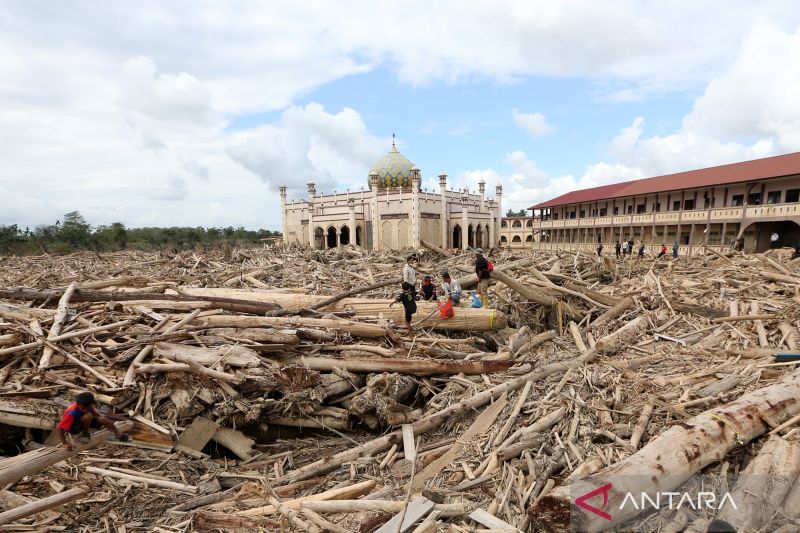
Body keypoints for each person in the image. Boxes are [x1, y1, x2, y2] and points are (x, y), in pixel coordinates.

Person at [57, 392, 130, 450]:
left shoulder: (89, 406)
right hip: (74, 427)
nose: (85, 410)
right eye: (83, 408)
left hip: (84, 422)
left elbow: (97, 414)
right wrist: (64, 443)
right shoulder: (71, 413)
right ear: (78, 404)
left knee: (102, 419)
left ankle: (118, 433)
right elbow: (59, 428)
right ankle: (85, 432)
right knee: (88, 415)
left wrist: (104, 421)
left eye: (87, 407)